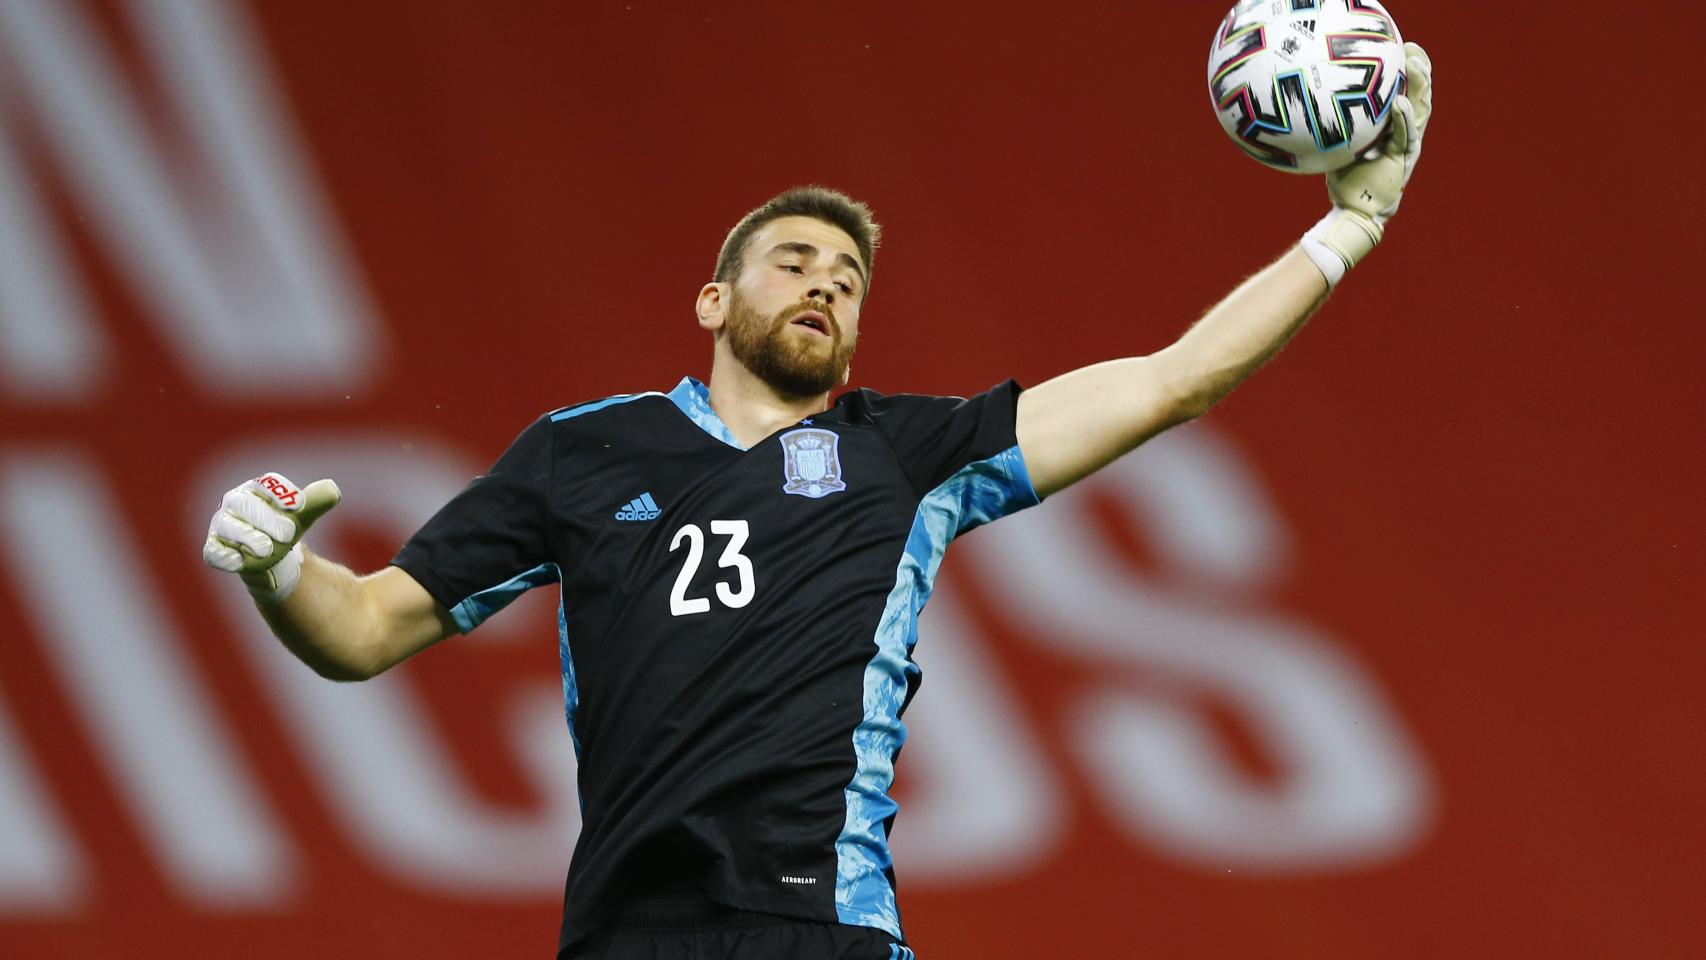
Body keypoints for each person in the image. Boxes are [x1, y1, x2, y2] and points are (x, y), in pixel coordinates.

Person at [201, 45, 1432, 960]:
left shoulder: (903, 454)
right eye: (791, 262)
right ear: (712, 301)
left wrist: (1350, 225)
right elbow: (364, 630)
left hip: (818, 925)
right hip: (626, 932)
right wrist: (278, 572)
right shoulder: (581, 453)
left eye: (846, 279)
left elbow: (1171, 381)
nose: (823, 285)